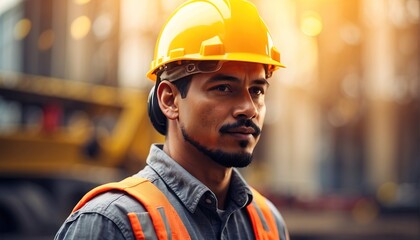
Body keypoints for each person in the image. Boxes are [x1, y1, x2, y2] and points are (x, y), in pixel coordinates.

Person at [55, 0, 289, 239]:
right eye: (224, 88)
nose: (249, 109)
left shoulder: (269, 222)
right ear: (169, 100)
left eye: (257, 91)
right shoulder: (110, 223)